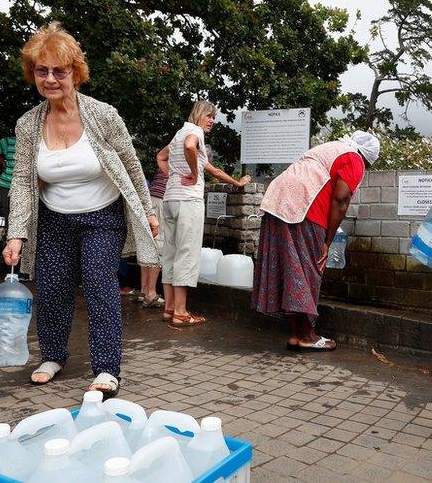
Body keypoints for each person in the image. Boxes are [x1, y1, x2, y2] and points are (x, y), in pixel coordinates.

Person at [2, 22, 161, 398]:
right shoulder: (28, 124)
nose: (51, 78)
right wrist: (16, 233)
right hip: (54, 219)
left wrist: (148, 211)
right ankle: (53, 355)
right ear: (33, 75)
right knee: (53, 287)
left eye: (60, 70)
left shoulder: (103, 115)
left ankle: (107, 368)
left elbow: (131, 163)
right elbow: (23, 181)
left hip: (102, 216)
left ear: (76, 72)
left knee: (98, 284)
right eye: (42, 71)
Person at [252, 131, 379, 351]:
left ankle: (297, 334)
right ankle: (307, 336)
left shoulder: (330, 148)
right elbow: (340, 199)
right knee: (309, 268)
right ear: (367, 158)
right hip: (305, 209)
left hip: (276, 201)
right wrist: (328, 242)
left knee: (290, 269)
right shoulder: (355, 158)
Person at [156, 101, 251, 326]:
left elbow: (161, 157)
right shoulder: (194, 132)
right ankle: (180, 312)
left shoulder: (178, 134)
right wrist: (193, 174)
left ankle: (169, 309)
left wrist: (237, 182)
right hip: (189, 201)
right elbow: (190, 146)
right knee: (187, 254)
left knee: (170, 253)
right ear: (198, 115)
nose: (211, 121)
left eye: (213, 118)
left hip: (170, 200)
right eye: (209, 116)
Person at [140, 168, 168, 308]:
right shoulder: (187, 153)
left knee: (149, 243)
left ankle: (144, 290)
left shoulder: (169, 153)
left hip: (151, 200)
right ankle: (151, 293)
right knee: (158, 245)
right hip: (161, 200)